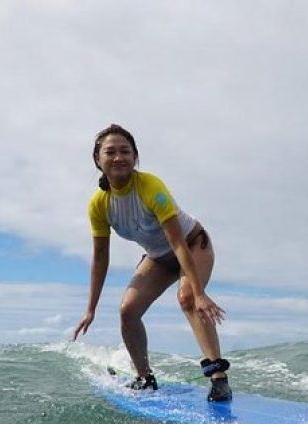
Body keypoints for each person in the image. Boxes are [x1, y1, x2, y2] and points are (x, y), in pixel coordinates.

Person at [73, 124, 232, 401]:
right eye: (110, 152)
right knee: (128, 310)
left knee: (187, 298)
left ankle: (219, 379)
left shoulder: (150, 187)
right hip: (158, 257)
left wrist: (199, 292)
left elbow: (177, 243)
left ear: (135, 157)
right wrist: (90, 309)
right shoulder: (99, 204)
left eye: (126, 151)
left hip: (192, 245)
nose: (119, 157)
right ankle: (144, 377)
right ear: (98, 160)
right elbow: (100, 257)